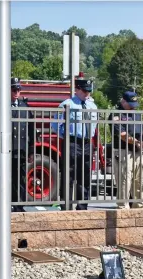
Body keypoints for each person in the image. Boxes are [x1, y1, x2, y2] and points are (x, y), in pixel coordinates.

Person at [51, 79, 97, 210]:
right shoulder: (67, 104)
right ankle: (66, 205)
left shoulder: (92, 106)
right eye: (84, 91)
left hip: (87, 143)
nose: (87, 93)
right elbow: (55, 125)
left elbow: (95, 126)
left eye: (88, 91)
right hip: (72, 142)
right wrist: (65, 137)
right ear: (77, 89)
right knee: (69, 174)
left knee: (85, 175)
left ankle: (82, 206)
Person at [109, 91, 143, 209]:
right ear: (123, 101)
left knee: (141, 180)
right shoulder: (116, 114)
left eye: (134, 105)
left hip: (138, 152)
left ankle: (140, 207)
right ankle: (123, 207)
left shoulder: (136, 114)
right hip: (123, 151)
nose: (132, 107)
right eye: (130, 104)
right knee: (124, 180)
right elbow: (122, 134)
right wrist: (136, 142)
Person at [9, 78, 36, 212]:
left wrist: (31, 151)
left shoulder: (25, 107)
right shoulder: (2, 105)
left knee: (20, 177)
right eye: (14, 89)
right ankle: (10, 203)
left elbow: (31, 129)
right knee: (8, 178)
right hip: (7, 149)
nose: (17, 92)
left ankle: (19, 204)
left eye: (18, 90)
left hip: (21, 148)